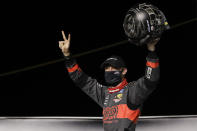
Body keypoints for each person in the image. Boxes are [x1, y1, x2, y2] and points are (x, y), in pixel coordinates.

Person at [59, 30, 160, 131]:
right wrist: (67, 56)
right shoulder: (104, 93)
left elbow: (150, 80)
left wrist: (151, 51)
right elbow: (80, 79)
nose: (109, 70)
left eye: (114, 68)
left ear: (124, 71)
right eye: (107, 68)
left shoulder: (131, 91)